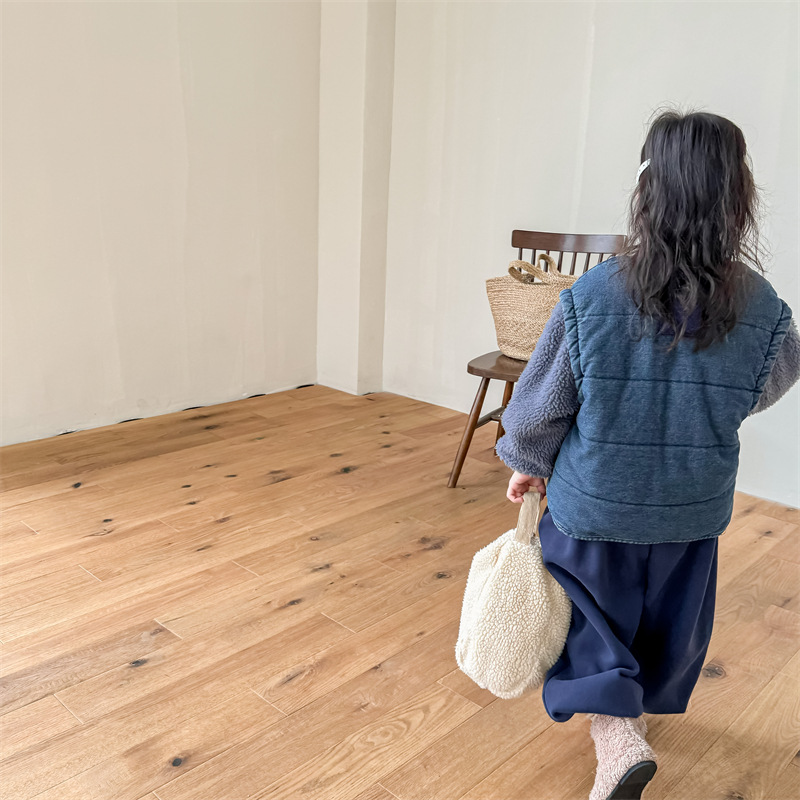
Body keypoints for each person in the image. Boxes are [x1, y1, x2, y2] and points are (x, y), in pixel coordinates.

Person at [494, 109, 800, 800]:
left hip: (594, 507)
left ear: (646, 191)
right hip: (691, 510)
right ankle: (631, 714)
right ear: (739, 198)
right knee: (665, 623)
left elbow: (544, 400)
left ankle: (615, 734)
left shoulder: (593, 294)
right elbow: (769, 381)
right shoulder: (763, 308)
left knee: (589, 617)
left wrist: (527, 459)